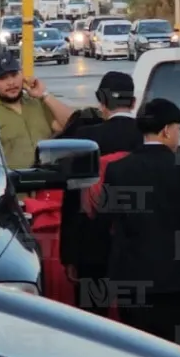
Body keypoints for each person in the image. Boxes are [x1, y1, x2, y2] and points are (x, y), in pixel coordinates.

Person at [98, 98, 180, 350]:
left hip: (132, 284)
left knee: (139, 356)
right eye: (179, 130)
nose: (179, 137)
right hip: (176, 283)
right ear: (166, 130)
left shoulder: (118, 170)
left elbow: (107, 224)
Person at [60, 72, 143, 314]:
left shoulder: (84, 139)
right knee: (141, 327)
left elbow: (72, 199)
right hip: (139, 248)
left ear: (102, 103)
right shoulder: (150, 138)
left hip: (92, 249)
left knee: (94, 325)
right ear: (134, 102)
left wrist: (70, 255)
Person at [0, 52, 74, 170]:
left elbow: (71, 124)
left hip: (47, 182)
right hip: (12, 185)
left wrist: (44, 95)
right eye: (3, 78)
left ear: (22, 74)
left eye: (14, 75)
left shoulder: (36, 102)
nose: (11, 82)